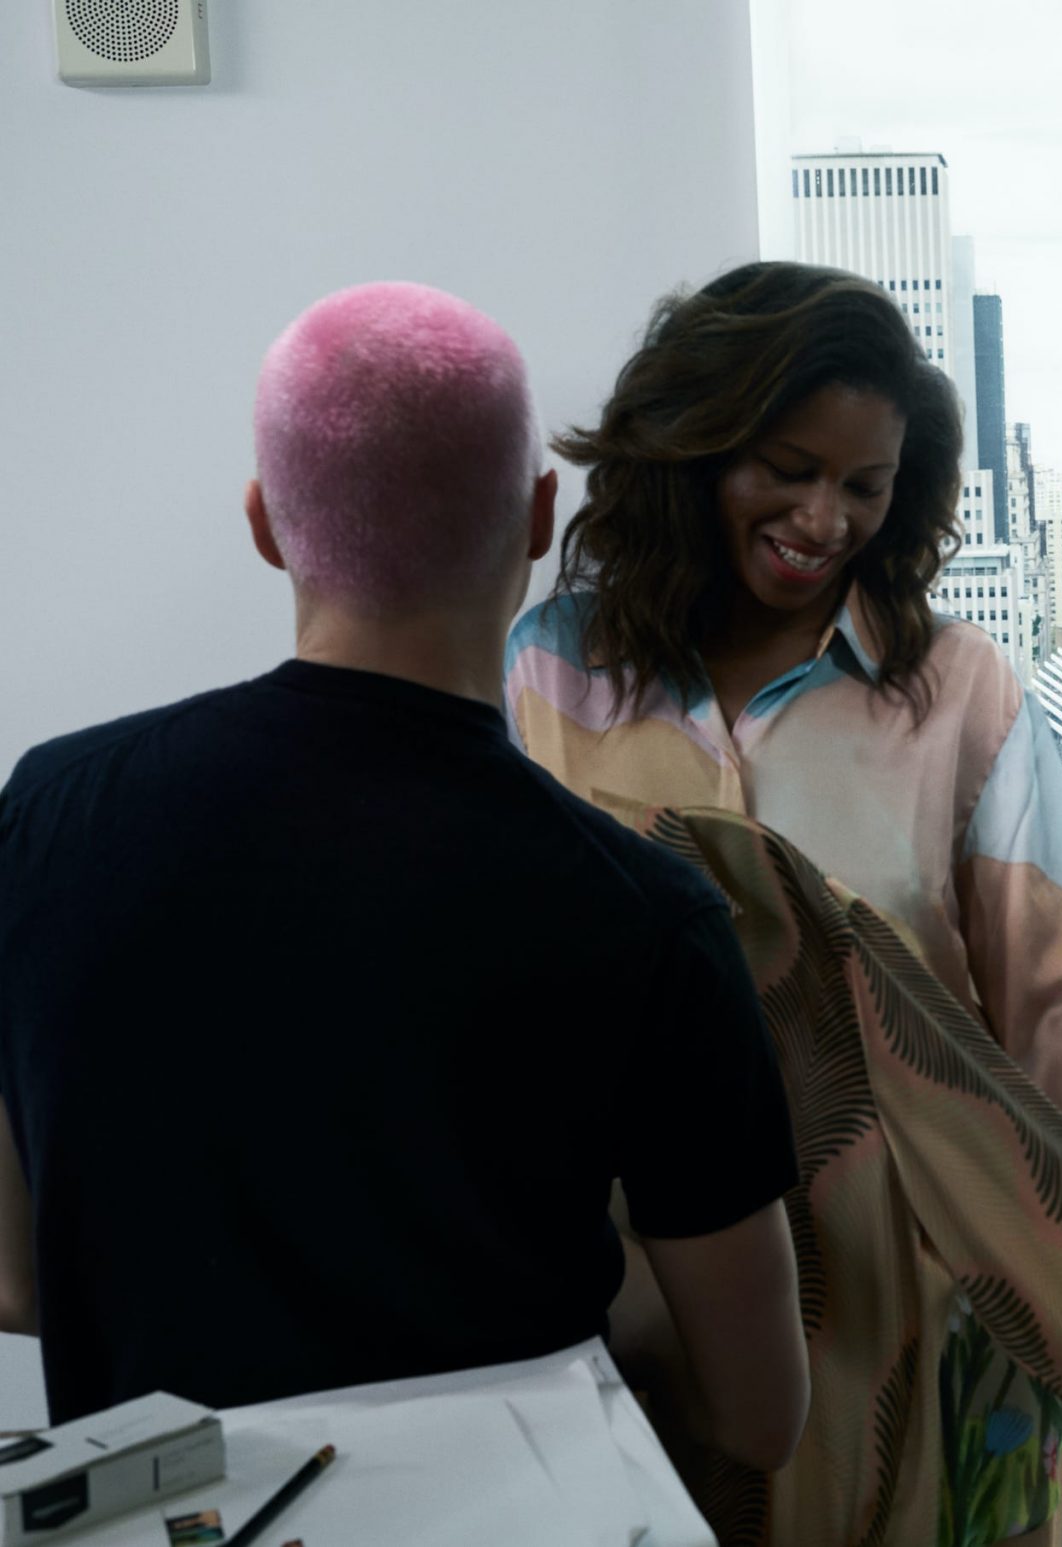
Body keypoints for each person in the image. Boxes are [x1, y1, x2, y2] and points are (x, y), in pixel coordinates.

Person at [506, 263, 1062, 1547]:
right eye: (788, 466)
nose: (825, 517)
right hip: (664, 1291)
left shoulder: (960, 690)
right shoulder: (557, 666)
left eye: (864, 486)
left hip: (939, 1294)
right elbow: (521, 996)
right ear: (691, 448)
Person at [0, 283, 808, 1472]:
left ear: (266, 521)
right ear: (539, 516)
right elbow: (759, 1416)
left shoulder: (44, 813)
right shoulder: (648, 914)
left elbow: (18, 1276)